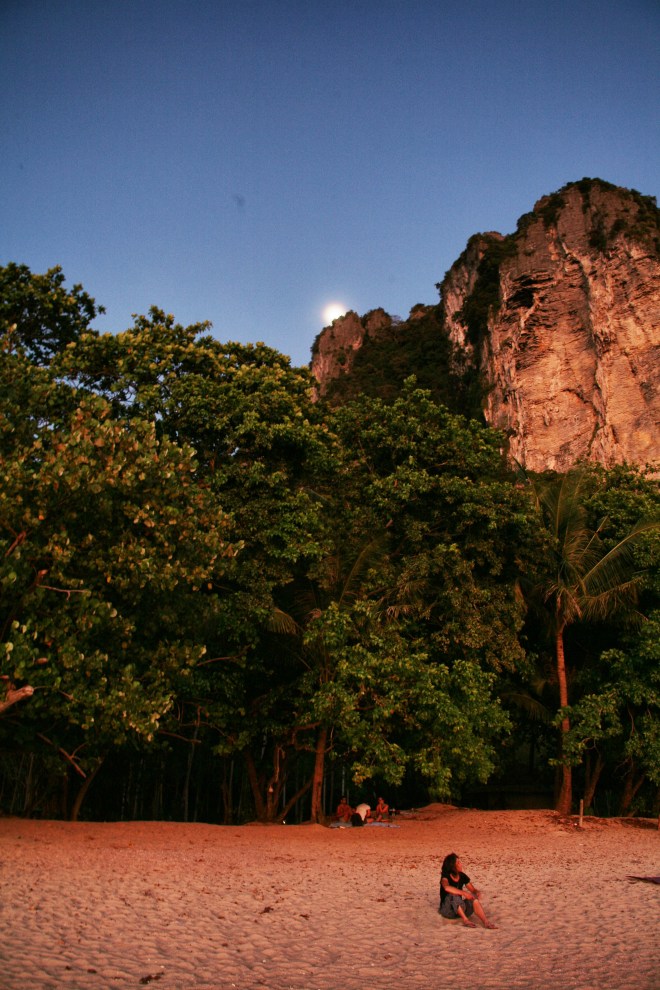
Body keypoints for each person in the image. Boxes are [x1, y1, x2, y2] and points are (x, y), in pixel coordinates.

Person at [439, 853, 497, 929]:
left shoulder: (462, 876)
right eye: (458, 863)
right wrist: (464, 893)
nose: (461, 864)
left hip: (460, 910)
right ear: (452, 866)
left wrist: (476, 892)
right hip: (448, 911)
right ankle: (466, 920)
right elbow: (446, 888)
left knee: (473, 898)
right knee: (452, 895)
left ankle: (486, 922)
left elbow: (473, 889)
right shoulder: (445, 877)